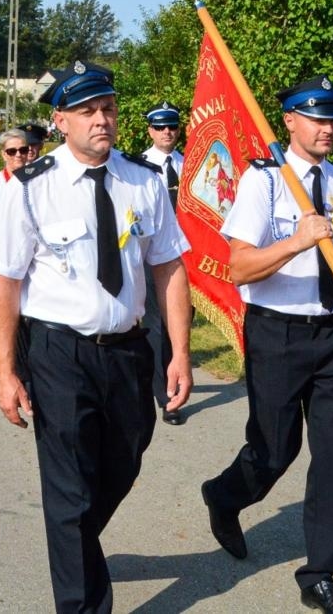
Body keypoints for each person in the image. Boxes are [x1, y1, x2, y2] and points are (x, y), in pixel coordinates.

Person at [0, 61, 193, 614]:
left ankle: (75, 543)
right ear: (61, 121)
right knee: (69, 489)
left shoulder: (144, 182)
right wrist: (6, 373)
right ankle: (82, 599)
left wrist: (179, 352)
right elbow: (5, 285)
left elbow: (170, 268)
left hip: (128, 351)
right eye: (86, 111)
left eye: (108, 109)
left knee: (124, 462)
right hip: (59, 353)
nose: (101, 119)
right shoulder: (31, 188)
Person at [199, 76, 333, 614]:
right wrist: (297, 241)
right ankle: (224, 495)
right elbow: (238, 266)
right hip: (276, 332)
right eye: (316, 117)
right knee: (276, 450)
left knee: (332, 455)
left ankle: (319, 573)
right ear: (290, 121)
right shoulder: (265, 182)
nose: (327, 128)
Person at [139, 100, 189, 425]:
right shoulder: (140, 168)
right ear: (150, 131)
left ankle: (172, 376)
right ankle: (167, 396)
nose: (166, 132)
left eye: (171, 126)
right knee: (157, 323)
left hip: (187, 253)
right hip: (152, 254)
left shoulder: (193, 165)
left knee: (181, 322)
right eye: (159, 127)